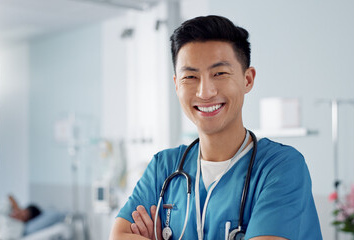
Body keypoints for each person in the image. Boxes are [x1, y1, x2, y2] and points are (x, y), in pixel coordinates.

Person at [109, 15, 322, 240]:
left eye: (219, 73)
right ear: (176, 85)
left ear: (247, 79)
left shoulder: (280, 167)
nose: (205, 92)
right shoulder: (163, 167)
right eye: (190, 76)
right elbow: (119, 235)